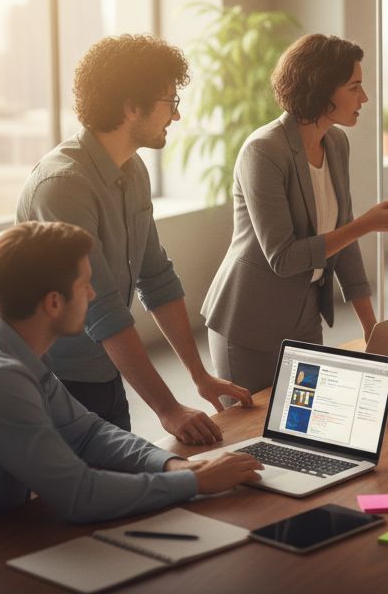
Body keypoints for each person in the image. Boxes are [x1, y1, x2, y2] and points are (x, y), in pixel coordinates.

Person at [0, 222, 264, 556]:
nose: (93, 295)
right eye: (84, 285)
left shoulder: (13, 345)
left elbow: (87, 433)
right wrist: (194, 482)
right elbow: (79, 496)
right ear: (53, 303)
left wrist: (173, 465)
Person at [18, 34, 250, 445]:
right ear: (131, 107)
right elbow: (102, 309)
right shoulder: (63, 186)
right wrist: (167, 408)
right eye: (170, 101)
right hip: (53, 383)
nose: (176, 115)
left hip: (105, 373)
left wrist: (199, 376)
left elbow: (156, 278)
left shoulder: (133, 169)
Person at [201, 34, 388, 394]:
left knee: (304, 418)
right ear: (321, 88)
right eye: (354, 87)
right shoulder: (263, 151)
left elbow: (343, 238)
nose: (364, 97)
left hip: (305, 317)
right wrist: (365, 225)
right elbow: (282, 258)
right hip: (250, 321)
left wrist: (371, 327)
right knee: (251, 425)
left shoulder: (336, 143)